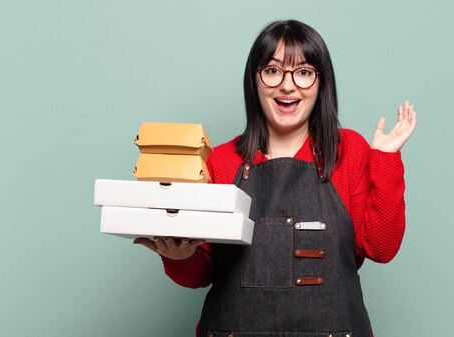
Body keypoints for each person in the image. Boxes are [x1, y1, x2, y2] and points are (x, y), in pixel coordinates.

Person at [134, 19, 416, 337]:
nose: (287, 85)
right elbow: (201, 273)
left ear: (322, 82)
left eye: (304, 72)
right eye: (272, 70)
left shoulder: (349, 151)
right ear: (254, 80)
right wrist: (180, 257)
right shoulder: (221, 162)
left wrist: (385, 159)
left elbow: (382, 248)